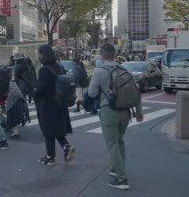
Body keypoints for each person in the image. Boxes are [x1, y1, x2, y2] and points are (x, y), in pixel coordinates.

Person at [88, 44, 144, 190]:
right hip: (125, 113)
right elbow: (136, 92)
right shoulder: (125, 69)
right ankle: (115, 169)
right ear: (115, 55)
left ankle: (121, 179)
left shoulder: (99, 71)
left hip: (109, 112)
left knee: (112, 145)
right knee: (119, 142)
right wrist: (139, 112)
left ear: (102, 56)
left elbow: (92, 93)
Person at [34, 45, 75, 165]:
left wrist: (34, 93)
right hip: (60, 103)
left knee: (48, 132)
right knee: (56, 130)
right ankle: (66, 147)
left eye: (40, 54)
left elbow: (40, 89)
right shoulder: (59, 67)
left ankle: (50, 157)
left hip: (48, 105)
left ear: (43, 55)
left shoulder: (44, 70)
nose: (39, 56)